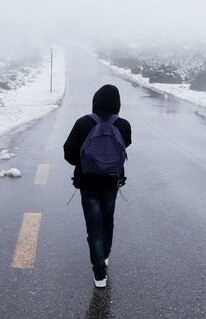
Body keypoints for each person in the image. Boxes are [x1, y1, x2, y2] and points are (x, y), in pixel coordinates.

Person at [63, 84, 132, 288]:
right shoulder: (123, 125)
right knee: (107, 221)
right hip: (112, 182)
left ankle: (99, 273)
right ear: (117, 104)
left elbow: (68, 152)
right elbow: (125, 146)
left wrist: (87, 163)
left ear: (95, 102)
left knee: (93, 227)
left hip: (88, 183)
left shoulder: (83, 123)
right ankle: (105, 255)